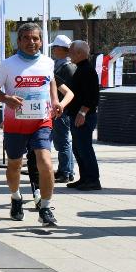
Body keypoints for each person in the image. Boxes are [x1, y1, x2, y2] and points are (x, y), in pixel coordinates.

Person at [0, 22, 74, 227]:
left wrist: (55, 101)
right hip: (15, 123)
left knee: (45, 163)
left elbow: (51, 81)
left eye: (35, 38)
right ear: (19, 41)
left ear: (41, 41)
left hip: (41, 121)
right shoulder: (9, 64)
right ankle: (16, 198)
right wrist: (7, 99)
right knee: (15, 165)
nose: (31, 42)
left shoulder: (47, 62)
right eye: (26, 38)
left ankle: (45, 208)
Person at [65, 40, 102, 191]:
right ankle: (85, 178)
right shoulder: (81, 68)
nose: (69, 54)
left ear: (80, 53)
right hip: (77, 115)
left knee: (84, 148)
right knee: (78, 148)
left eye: (71, 51)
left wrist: (82, 113)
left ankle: (93, 180)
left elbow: (92, 96)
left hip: (84, 116)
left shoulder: (87, 70)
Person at [50, 35, 77, 183]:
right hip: (64, 109)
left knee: (63, 141)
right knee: (64, 141)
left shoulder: (65, 67)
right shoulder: (67, 65)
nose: (53, 50)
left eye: (55, 47)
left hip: (62, 110)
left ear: (62, 49)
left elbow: (67, 91)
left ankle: (65, 172)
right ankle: (67, 170)